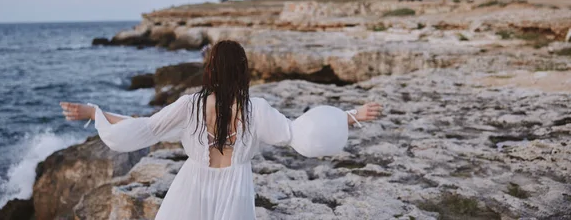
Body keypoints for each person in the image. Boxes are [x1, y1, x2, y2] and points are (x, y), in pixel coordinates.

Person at [60, 40, 382, 219]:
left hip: (192, 186)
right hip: (235, 191)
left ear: (210, 69)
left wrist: (96, 114)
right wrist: (350, 117)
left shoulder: (190, 105)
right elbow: (299, 133)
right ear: (243, 70)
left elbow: (144, 129)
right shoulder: (256, 109)